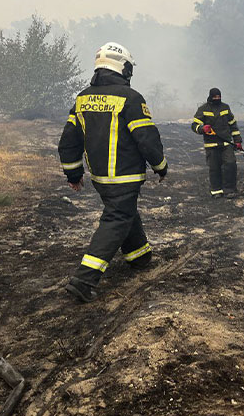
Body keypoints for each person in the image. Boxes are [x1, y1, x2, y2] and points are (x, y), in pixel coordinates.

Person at [58, 42, 167, 303]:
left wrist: (74, 173)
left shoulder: (82, 98)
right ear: (123, 68)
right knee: (117, 218)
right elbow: (147, 138)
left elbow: (68, 141)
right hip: (125, 175)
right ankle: (84, 280)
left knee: (124, 210)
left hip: (100, 178)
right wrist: (160, 166)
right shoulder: (130, 98)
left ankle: (139, 256)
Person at [192, 88, 243, 198]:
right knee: (214, 168)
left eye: (219, 97)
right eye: (215, 97)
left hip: (226, 144)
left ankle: (230, 190)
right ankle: (216, 191)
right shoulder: (203, 109)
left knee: (230, 164)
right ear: (210, 97)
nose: (217, 99)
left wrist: (237, 140)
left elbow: (233, 125)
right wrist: (202, 129)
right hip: (211, 145)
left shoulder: (225, 107)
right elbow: (194, 125)